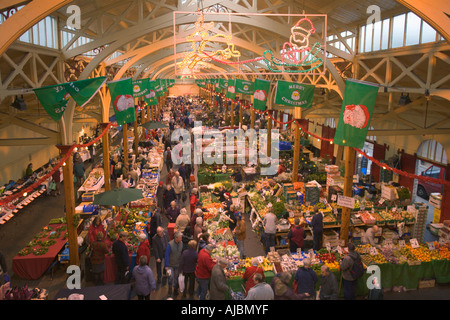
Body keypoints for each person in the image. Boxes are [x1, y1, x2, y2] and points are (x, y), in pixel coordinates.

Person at [164, 231, 183, 298]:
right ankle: (169, 289)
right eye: (180, 238)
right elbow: (166, 255)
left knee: (176, 278)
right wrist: (166, 265)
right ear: (176, 238)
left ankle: (175, 289)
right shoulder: (170, 245)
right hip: (170, 265)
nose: (181, 239)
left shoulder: (181, 243)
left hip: (178, 265)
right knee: (170, 278)